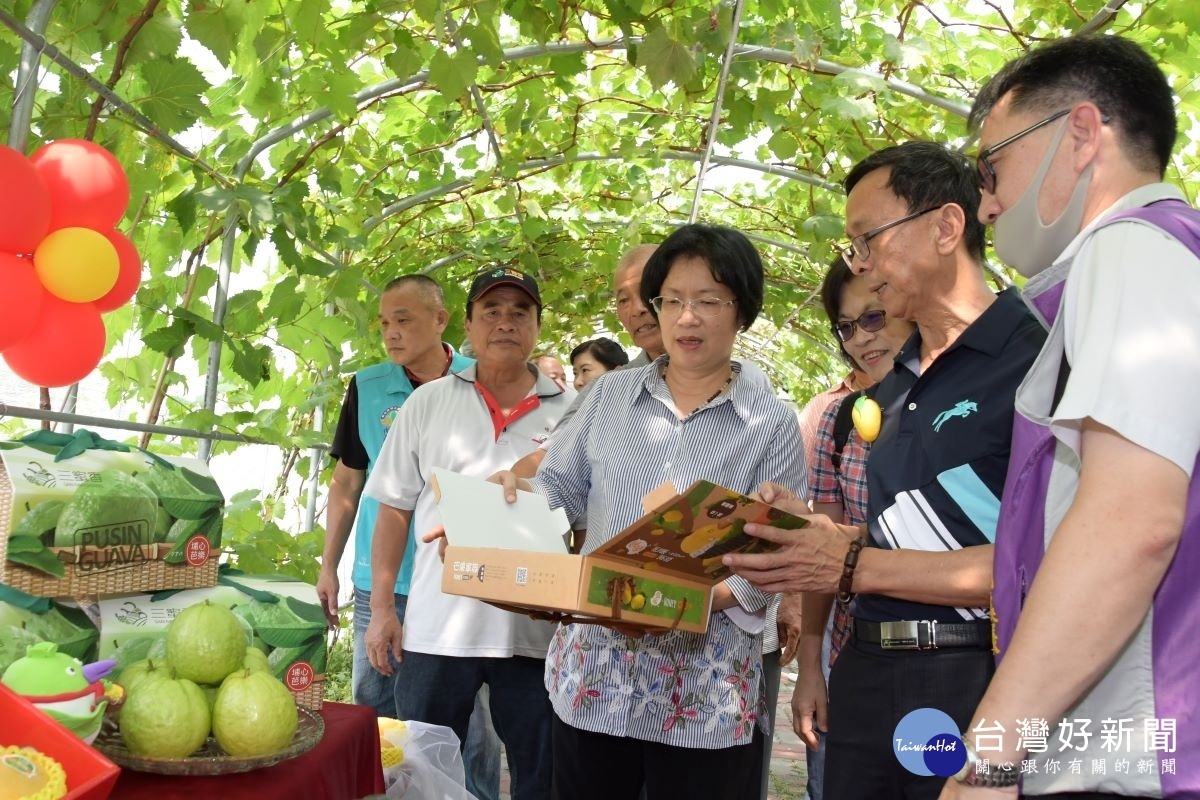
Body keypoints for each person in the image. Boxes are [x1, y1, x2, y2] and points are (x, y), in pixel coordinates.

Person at [723, 141, 1045, 800]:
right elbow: (898, 534)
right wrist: (810, 531)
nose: (861, 264)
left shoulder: (1033, 358)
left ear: (948, 226)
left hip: (975, 676)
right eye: (852, 247)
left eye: (867, 237)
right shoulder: (891, 388)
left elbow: (1043, 562)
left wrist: (845, 565)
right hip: (869, 665)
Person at [938, 35, 1200, 796]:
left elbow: (1128, 523)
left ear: (1081, 135)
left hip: (1142, 764)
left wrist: (987, 758)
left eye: (992, 170)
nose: (986, 204)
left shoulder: (1130, 253)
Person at [490, 223, 807, 800]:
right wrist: (494, 510)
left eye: (709, 301)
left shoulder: (773, 423)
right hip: (596, 679)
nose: (687, 318)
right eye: (673, 301)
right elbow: (557, 486)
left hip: (703, 692)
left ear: (742, 311)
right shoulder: (608, 399)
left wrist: (699, 600)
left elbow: (778, 552)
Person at [364, 267, 572, 800]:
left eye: (519, 312)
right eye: (492, 312)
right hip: (439, 627)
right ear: (468, 324)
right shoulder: (429, 402)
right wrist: (385, 610)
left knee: (541, 776)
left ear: (537, 325)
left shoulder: (573, 414)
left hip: (534, 633)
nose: (505, 323)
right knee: (420, 774)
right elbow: (392, 509)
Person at [316, 274, 501, 800]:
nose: (391, 333)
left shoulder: (481, 379)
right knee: (374, 715)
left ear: (442, 321)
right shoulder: (368, 385)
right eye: (384, 323)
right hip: (382, 583)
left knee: (470, 728)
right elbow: (347, 483)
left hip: (455, 582)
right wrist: (328, 566)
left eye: (404, 320)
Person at [792, 257, 917, 800]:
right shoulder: (836, 418)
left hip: (957, 661)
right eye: (846, 327)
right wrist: (812, 666)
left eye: (874, 317)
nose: (861, 339)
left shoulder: (966, 407)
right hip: (855, 653)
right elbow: (825, 543)